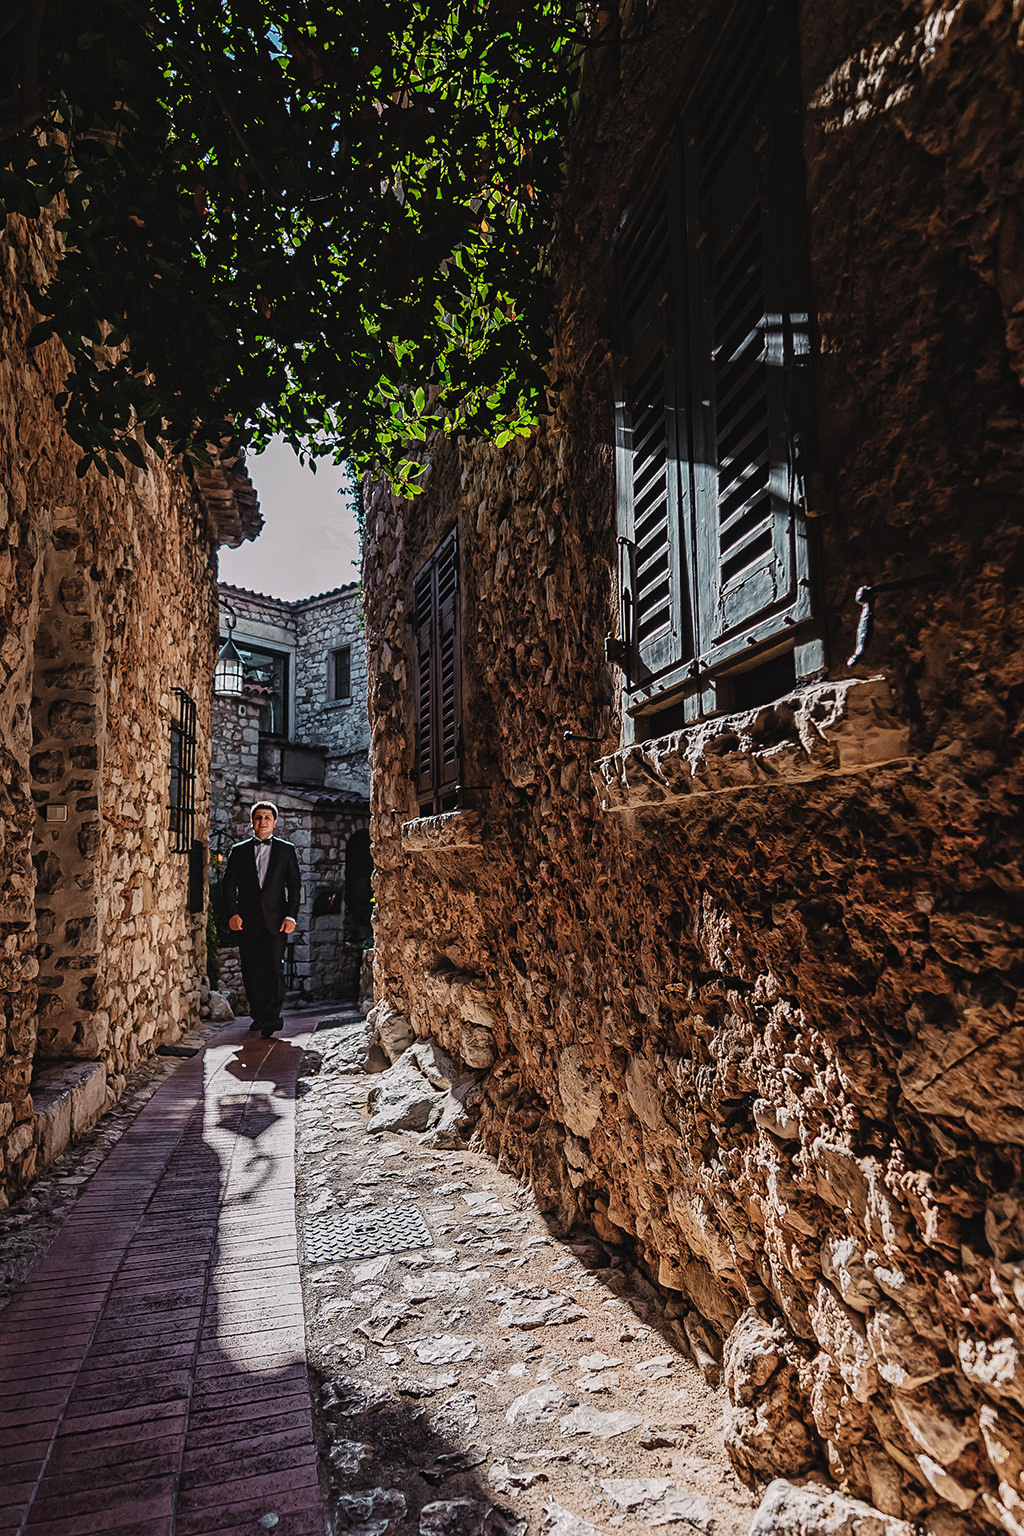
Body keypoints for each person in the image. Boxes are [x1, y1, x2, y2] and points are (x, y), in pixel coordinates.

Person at [222, 801, 302, 1038]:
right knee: (251, 969)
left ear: (274, 822)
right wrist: (232, 914)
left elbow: (295, 886)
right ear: (252, 822)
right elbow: (228, 886)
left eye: (267, 817)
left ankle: (273, 1017)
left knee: (274, 968)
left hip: (277, 921)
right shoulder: (239, 851)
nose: (263, 821)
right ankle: (259, 1015)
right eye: (258, 817)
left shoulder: (286, 850)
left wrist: (291, 916)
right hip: (247, 921)